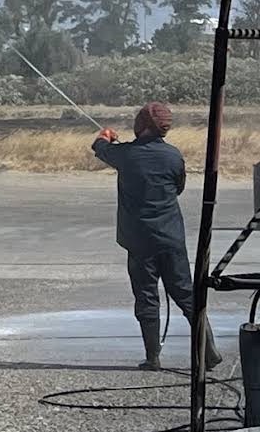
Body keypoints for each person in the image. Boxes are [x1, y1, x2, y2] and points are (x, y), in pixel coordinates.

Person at [92, 102, 223, 372]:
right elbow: (178, 188)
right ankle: (209, 352)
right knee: (187, 295)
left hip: (139, 242)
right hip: (171, 238)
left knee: (147, 297)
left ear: (142, 126)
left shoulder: (126, 155)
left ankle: (153, 357)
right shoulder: (173, 156)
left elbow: (100, 148)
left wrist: (105, 136)